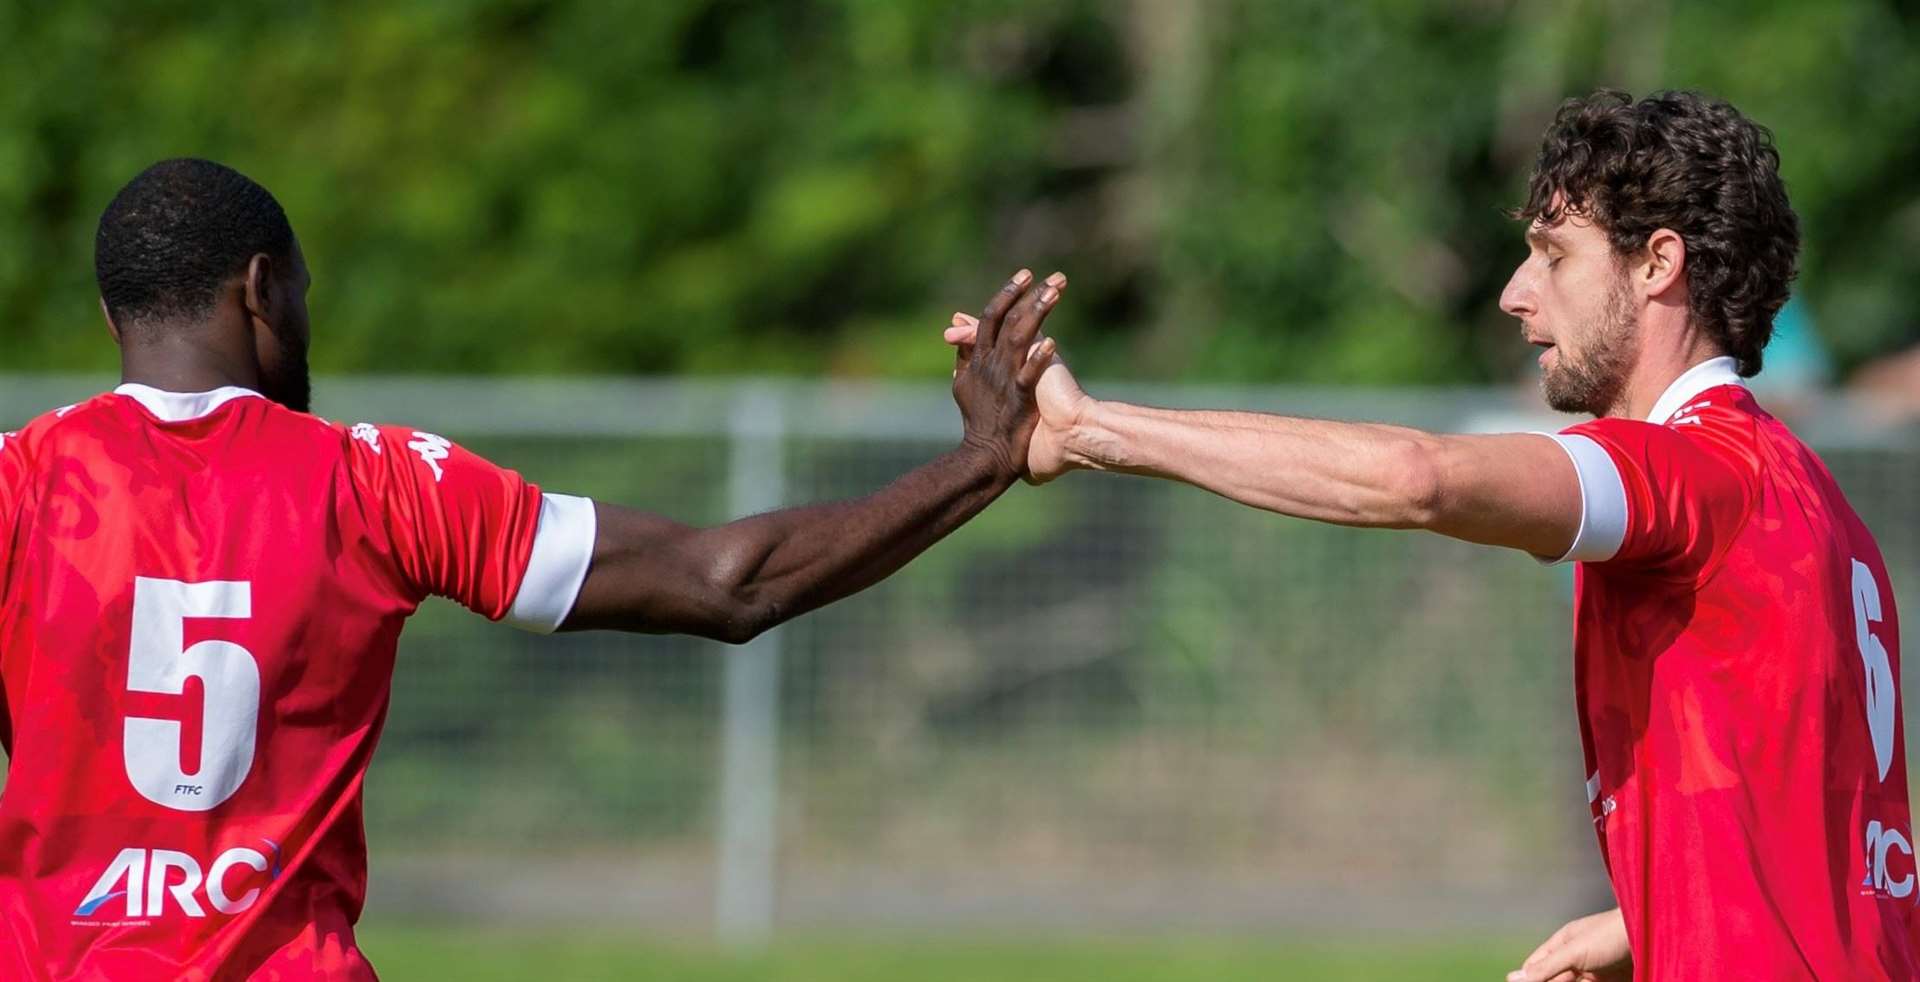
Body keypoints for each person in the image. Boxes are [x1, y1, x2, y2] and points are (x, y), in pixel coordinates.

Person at [0, 157, 1064, 980]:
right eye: (305, 294)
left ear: (112, 316)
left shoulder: (18, 489)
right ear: (262, 289)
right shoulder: (375, 483)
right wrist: (978, 461)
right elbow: (725, 582)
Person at [949, 89, 1913, 980]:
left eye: (1554, 253)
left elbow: (1417, 480)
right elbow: (1816, 823)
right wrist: (1650, 918)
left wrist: (1093, 431)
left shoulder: (1693, 472)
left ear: (1659, 264)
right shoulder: (1813, 499)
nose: (1515, 292)